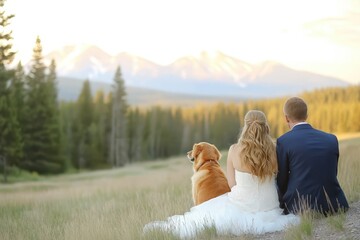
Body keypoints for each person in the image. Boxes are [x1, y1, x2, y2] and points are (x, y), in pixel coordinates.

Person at [143, 110, 299, 239]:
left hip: (243, 205)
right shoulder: (276, 148)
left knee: (202, 217)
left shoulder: (234, 150)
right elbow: (281, 176)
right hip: (270, 206)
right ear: (266, 127)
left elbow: (231, 185)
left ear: (245, 127)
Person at [276, 97, 349, 215]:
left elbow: (282, 180)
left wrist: (282, 202)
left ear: (286, 118)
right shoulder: (331, 139)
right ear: (307, 115)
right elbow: (332, 172)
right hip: (334, 204)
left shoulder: (283, 142)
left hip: (299, 207)